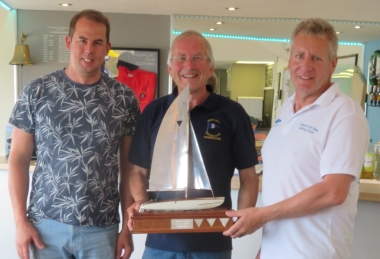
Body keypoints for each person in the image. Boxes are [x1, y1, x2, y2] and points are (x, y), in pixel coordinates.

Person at [223, 18, 369, 259]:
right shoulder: (286, 109)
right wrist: (264, 249)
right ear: (290, 60)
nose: (306, 66)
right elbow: (285, 186)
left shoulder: (345, 114)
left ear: (332, 64)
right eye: (300, 55)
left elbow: (333, 191)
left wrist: (262, 214)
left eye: (317, 58)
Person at [8, 9, 139, 259]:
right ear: (69, 42)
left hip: (102, 230)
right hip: (45, 227)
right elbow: (18, 159)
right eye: (82, 40)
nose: (89, 49)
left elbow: (129, 168)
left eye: (97, 42)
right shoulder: (36, 92)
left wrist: (127, 228)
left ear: (107, 48)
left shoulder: (124, 98)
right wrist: (19, 222)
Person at [127, 30, 259, 259]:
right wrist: (141, 202)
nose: (189, 64)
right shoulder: (153, 112)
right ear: (170, 69)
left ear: (210, 67)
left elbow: (248, 175)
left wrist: (243, 215)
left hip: (213, 245)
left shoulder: (233, 114)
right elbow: (137, 171)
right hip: (160, 244)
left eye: (197, 57)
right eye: (180, 58)